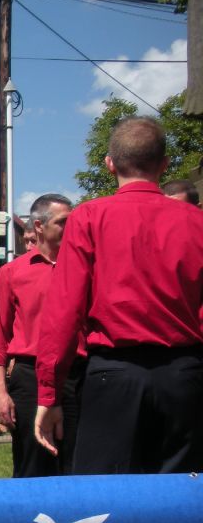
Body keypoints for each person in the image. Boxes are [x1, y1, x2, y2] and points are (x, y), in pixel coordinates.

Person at [35, 117, 203, 474]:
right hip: (183, 378)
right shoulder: (196, 222)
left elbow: (63, 311)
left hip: (114, 377)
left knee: (107, 498)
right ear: (164, 164)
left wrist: (49, 392)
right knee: (182, 496)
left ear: (110, 164)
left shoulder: (88, 218)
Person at [0, 194, 83, 477]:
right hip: (30, 377)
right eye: (63, 222)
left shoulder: (84, 268)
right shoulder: (12, 273)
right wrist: (0, 392)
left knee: (77, 463)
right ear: (39, 226)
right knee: (33, 463)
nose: (71, 227)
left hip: (78, 376)